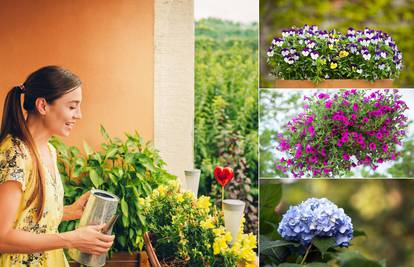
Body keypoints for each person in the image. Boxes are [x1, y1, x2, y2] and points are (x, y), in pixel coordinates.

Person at [0, 66, 115, 266]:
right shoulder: (15, 153)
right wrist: (72, 238)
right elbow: (2, 237)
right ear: (43, 106)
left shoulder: (49, 151)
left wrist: (71, 212)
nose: (79, 115)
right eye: (72, 107)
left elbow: (29, 220)